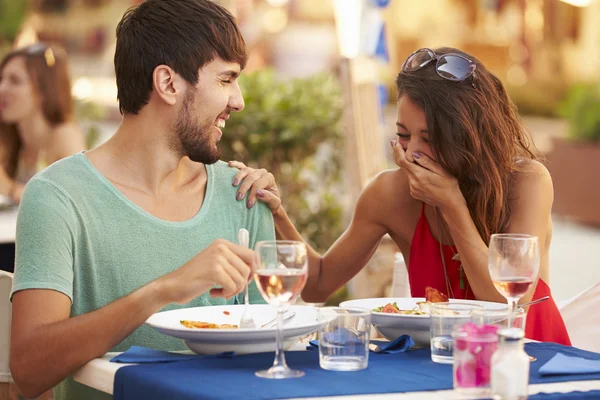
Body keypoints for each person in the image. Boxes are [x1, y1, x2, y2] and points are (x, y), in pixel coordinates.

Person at [10, 1, 274, 399]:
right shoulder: (58, 197)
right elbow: (29, 369)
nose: (238, 101)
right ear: (168, 83)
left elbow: (277, 354)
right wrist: (165, 289)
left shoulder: (242, 194)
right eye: (225, 80)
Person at [230, 47, 571, 346]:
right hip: (442, 366)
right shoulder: (389, 194)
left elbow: (508, 300)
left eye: (431, 138)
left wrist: (451, 203)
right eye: (404, 136)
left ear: (469, 136)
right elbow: (317, 285)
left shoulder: (525, 183)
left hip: (531, 358)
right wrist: (277, 211)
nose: (415, 154)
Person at [0, 43, 85, 204]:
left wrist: (10, 189)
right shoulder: (12, 136)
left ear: (44, 91)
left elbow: (75, 204)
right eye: (1, 79)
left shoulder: (64, 135)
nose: (2, 88)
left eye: (15, 80)